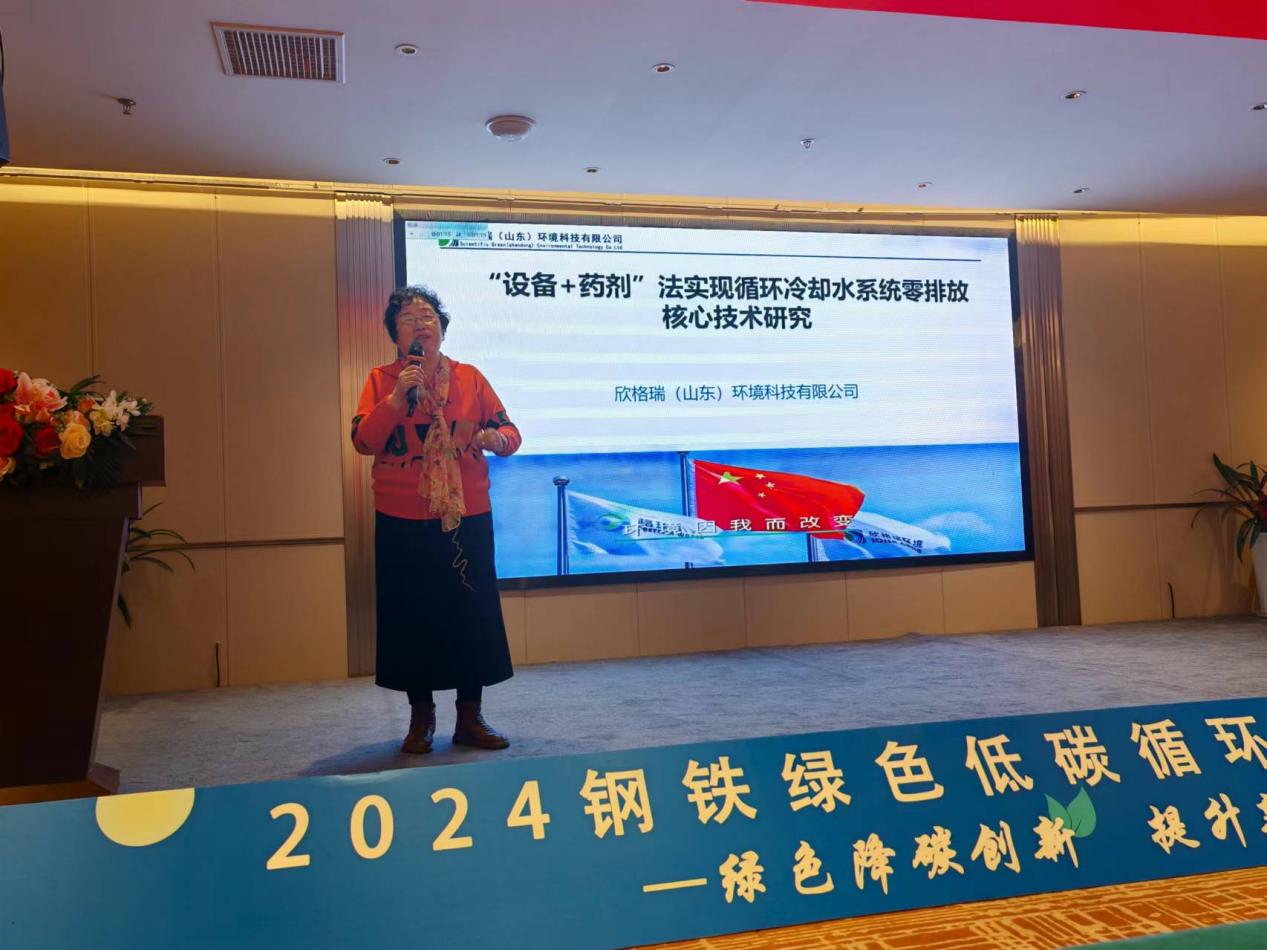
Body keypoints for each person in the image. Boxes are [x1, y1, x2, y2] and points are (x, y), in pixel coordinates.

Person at [351, 285, 520, 754]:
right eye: (408, 319)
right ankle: (420, 717)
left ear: (442, 330)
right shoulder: (383, 380)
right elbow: (363, 441)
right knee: (412, 617)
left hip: (466, 514)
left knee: (470, 615)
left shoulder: (470, 378)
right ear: (395, 335)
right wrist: (395, 400)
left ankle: (470, 716)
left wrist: (496, 440)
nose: (420, 324)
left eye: (428, 317)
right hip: (401, 516)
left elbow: (510, 432)